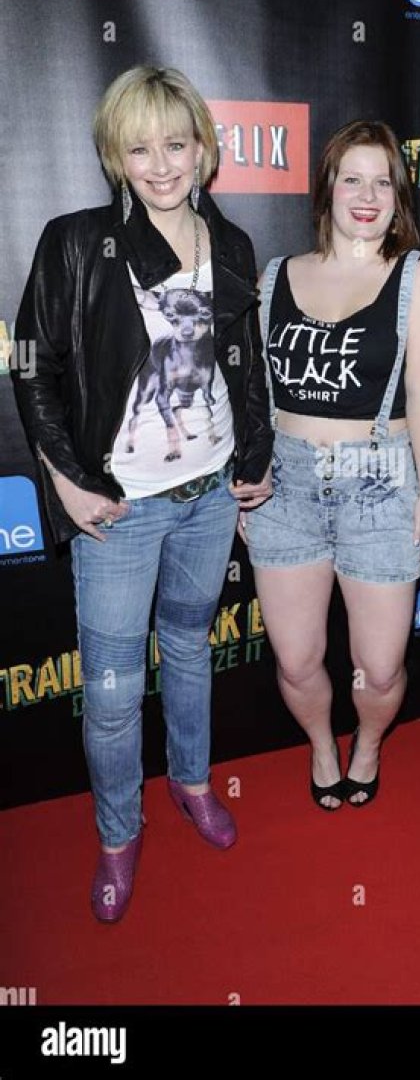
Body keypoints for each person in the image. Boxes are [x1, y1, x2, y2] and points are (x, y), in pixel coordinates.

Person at [11, 65, 273, 922]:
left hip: (209, 497)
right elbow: (32, 367)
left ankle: (192, 783)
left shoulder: (231, 245)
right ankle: (120, 834)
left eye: (175, 144)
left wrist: (256, 457)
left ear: (202, 147)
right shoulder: (77, 241)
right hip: (120, 510)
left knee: (191, 648)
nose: (161, 165)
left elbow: (247, 368)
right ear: (114, 157)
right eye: (139, 149)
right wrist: (65, 481)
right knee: (115, 690)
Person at [241, 119, 420, 810]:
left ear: (398, 197)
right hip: (286, 485)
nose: (366, 195)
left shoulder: (419, 278)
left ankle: (368, 740)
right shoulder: (276, 276)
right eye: (352, 179)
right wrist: (248, 473)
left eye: (382, 182)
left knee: (380, 667)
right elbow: (253, 393)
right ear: (326, 189)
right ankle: (321, 745)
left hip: (382, 481)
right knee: (297, 659)